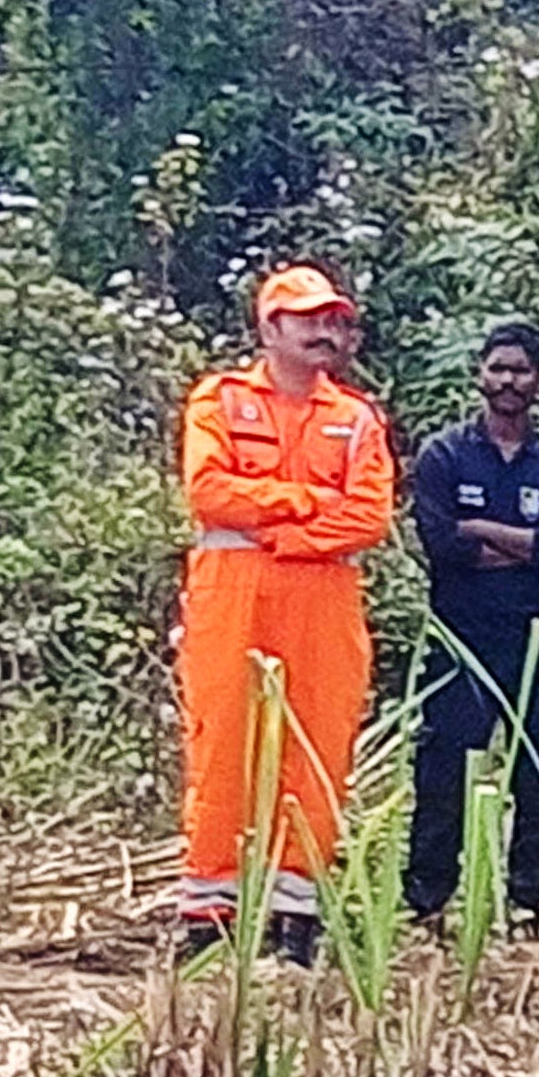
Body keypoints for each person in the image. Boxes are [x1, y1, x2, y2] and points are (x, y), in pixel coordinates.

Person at [172, 260, 398, 965]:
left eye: (334, 321)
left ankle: (294, 914)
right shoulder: (219, 400)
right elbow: (210, 492)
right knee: (224, 741)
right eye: (309, 319)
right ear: (271, 326)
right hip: (232, 591)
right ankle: (210, 913)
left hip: (323, 598)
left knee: (318, 745)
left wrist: (285, 526)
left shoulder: (357, 417)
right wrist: (305, 505)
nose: (324, 332)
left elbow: (368, 517)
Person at [400, 317, 539, 929]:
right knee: (446, 764)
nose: (508, 380)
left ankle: (528, 900)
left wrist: (481, 530)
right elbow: (439, 543)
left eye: (522, 370)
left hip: (537, 629)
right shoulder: (445, 454)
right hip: (460, 628)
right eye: (498, 368)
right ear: (481, 374)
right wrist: (525, 545)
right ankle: (429, 902)